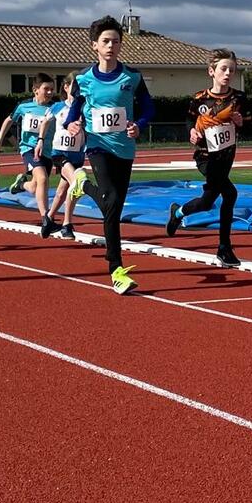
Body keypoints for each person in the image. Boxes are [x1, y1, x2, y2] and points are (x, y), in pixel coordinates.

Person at [66, 16, 155, 294]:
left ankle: (82, 185)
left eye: (115, 41)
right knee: (112, 201)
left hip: (124, 148)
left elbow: (149, 108)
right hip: (97, 145)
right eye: (105, 41)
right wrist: (71, 123)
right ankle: (116, 269)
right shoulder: (83, 79)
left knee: (113, 208)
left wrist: (138, 125)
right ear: (94, 45)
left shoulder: (132, 77)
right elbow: (75, 109)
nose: (110, 46)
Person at [165, 49, 252, 267]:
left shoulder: (239, 99)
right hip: (205, 157)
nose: (228, 73)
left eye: (232, 70)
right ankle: (224, 248)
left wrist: (241, 123)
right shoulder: (199, 99)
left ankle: (178, 212)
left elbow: (250, 127)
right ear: (211, 71)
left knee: (206, 202)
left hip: (226, 156)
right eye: (223, 69)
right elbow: (189, 121)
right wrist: (192, 132)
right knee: (230, 194)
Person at [0, 72, 59, 236]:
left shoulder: (56, 107)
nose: (50, 92)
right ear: (35, 90)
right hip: (29, 149)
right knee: (42, 178)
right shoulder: (24, 106)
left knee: (36, 186)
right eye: (46, 89)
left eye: (52, 89)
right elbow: (9, 120)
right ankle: (46, 219)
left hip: (48, 151)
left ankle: (21, 185)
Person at [40, 72, 85, 241]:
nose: (78, 89)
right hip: (59, 153)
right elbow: (45, 122)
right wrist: (40, 140)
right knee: (76, 182)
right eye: (75, 85)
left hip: (77, 154)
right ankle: (67, 224)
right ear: (66, 87)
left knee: (62, 191)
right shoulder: (58, 107)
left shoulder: (84, 107)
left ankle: (49, 218)